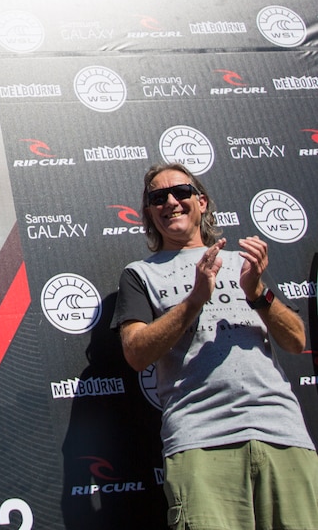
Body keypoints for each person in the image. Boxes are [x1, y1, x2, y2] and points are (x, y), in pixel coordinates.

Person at [112, 163, 318, 530]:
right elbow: (136, 352)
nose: (171, 202)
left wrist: (258, 293)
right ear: (149, 213)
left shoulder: (242, 263)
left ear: (201, 202)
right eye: (158, 198)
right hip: (201, 441)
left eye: (181, 193)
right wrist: (194, 300)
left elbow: (296, 339)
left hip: (281, 433)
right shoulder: (140, 274)